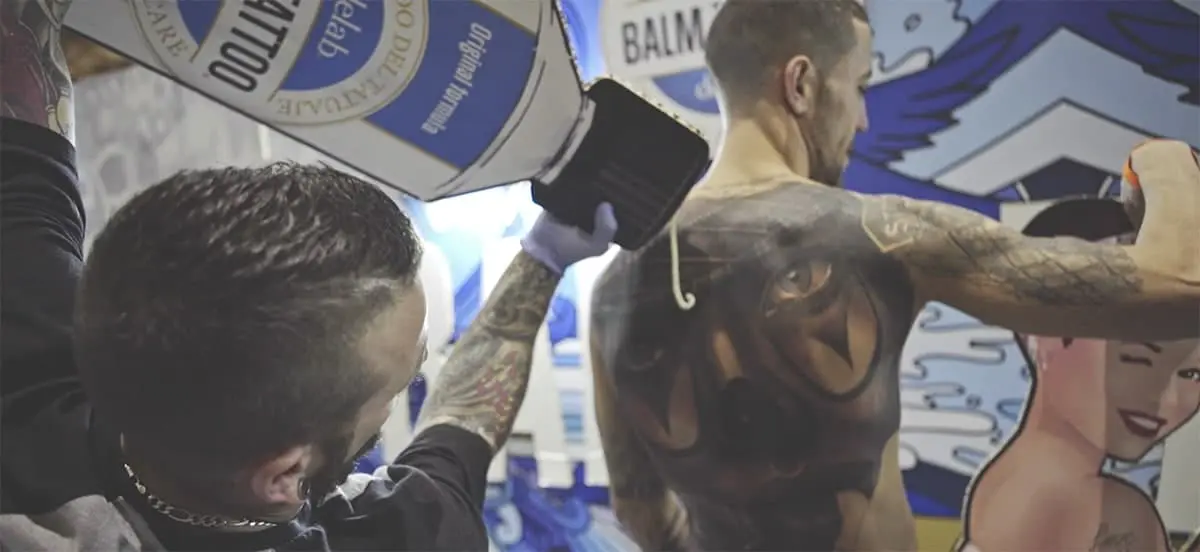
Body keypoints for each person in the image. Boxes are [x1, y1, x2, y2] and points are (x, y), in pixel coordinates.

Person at [0, 1, 618, 550]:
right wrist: (544, 260)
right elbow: (464, 422)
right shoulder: (395, 535)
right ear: (284, 476)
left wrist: (543, 254)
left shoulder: (25, 366)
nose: (415, 373)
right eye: (399, 383)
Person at [586, 0, 1200, 550]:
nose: (862, 121)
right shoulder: (881, 235)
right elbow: (1180, 285)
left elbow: (638, 508)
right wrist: (1165, 162)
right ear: (800, 84)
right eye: (859, 87)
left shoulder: (616, 287)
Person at [962, 198, 1200, 552]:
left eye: (1192, 374)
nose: (1168, 398)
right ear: (1044, 332)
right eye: (1137, 359)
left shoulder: (1000, 488)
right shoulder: (1112, 512)